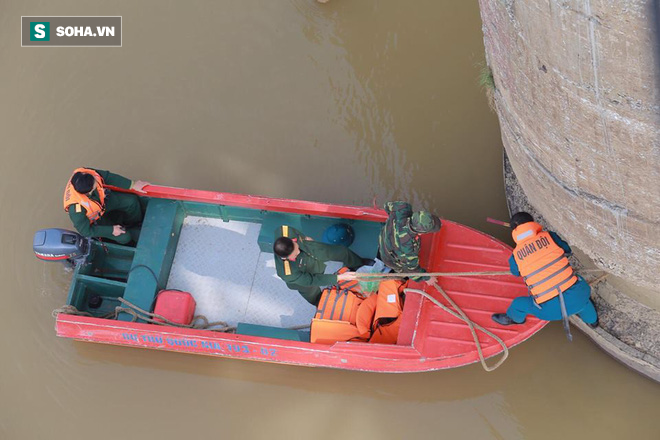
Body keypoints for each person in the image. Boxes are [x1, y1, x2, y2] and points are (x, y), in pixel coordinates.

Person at [491, 212, 598, 328]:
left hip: (550, 312)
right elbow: (567, 250)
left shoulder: (515, 256)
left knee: (518, 304)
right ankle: (593, 322)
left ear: (514, 231)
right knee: (581, 296)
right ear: (532, 223)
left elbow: (515, 273)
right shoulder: (550, 236)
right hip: (579, 297)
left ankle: (515, 319)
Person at [273, 225, 366, 306]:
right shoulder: (287, 273)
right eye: (295, 254)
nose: (298, 251)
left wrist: (304, 238)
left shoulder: (284, 230)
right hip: (304, 277)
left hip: (310, 249)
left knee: (342, 252)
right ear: (286, 258)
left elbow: (296, 233)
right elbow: (312, 279)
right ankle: (322, 305)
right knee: (313, 295)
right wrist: (339, 277)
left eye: (296, 246)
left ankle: (360, 265)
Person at [63, 168, 149, 245]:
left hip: (102, 202)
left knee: (131, 202)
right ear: (89, 192)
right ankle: (130, 245)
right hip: (96, 218)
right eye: (95, 184)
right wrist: (111, 230)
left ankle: (132, 223)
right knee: (125, 237)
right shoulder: (76, 210)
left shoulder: (86, 174)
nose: (97, 180)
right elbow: (86, 231)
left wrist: (132, 184)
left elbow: (108, 177)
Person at [378, 201, 441, 283]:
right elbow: (411, 270)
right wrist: (427, 278)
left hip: (384, 236)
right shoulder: (408, 248)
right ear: (420, 233)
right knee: (402, 269)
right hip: (388, 257)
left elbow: (387, 206)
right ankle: (399, 277)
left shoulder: (403, 207)